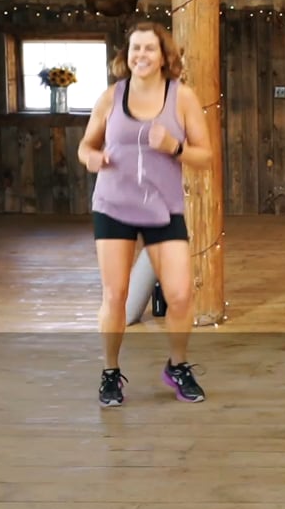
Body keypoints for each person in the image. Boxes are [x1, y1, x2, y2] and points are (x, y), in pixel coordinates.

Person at [78, 22, 212, 407]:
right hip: (113, 206)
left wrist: (174, 147)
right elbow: (86, 146)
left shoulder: (182, 98)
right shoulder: (111, 96)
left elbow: (205, 157)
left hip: (163, 208)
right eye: (135, 49)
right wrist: (91, 158)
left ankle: (178, 365)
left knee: (181, 295)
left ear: (164, 56)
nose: (141, 55)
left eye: (149, 49)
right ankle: (110, 372)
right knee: (115, 294)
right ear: (126, 55)